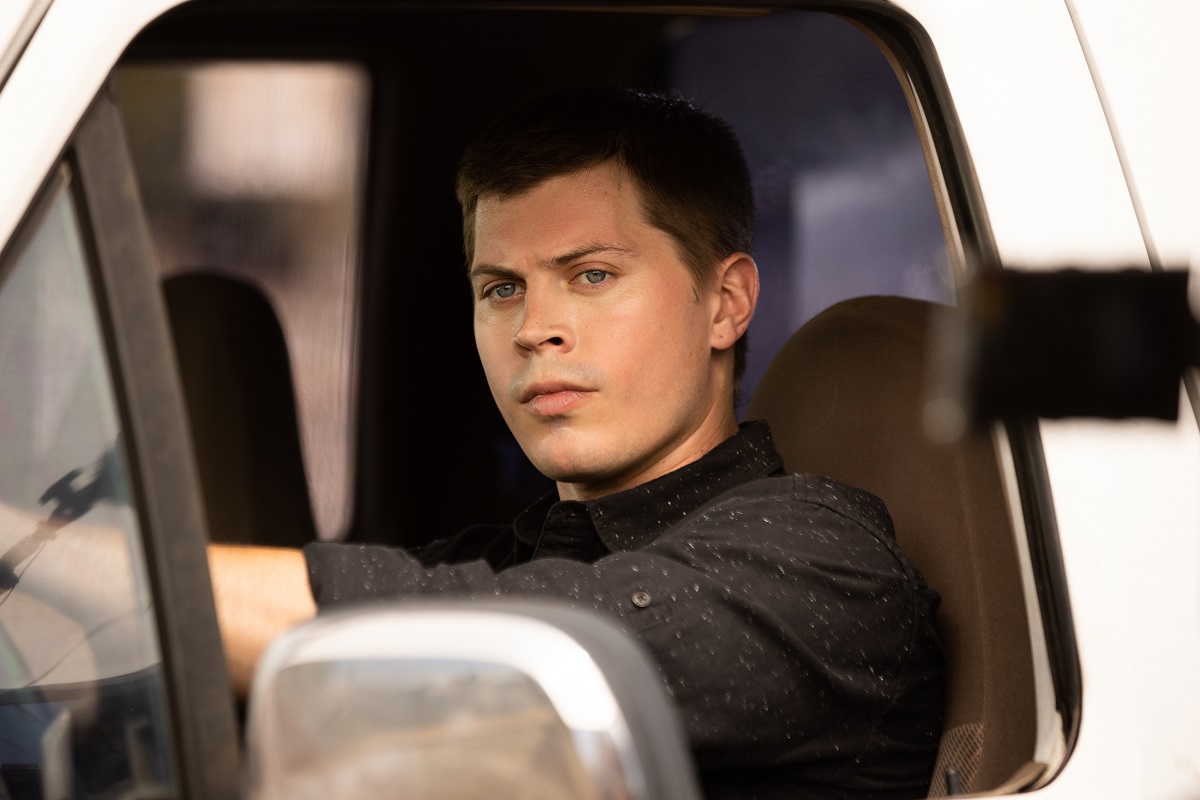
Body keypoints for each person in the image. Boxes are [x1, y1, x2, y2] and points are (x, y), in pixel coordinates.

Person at [209, 86, 945, 799]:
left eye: (591, 275)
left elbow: (553, 646)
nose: (534, 329)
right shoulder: (503, 559)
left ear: (725, 305)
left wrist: (152, 582)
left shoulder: (824, 561)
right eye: (502, 289)